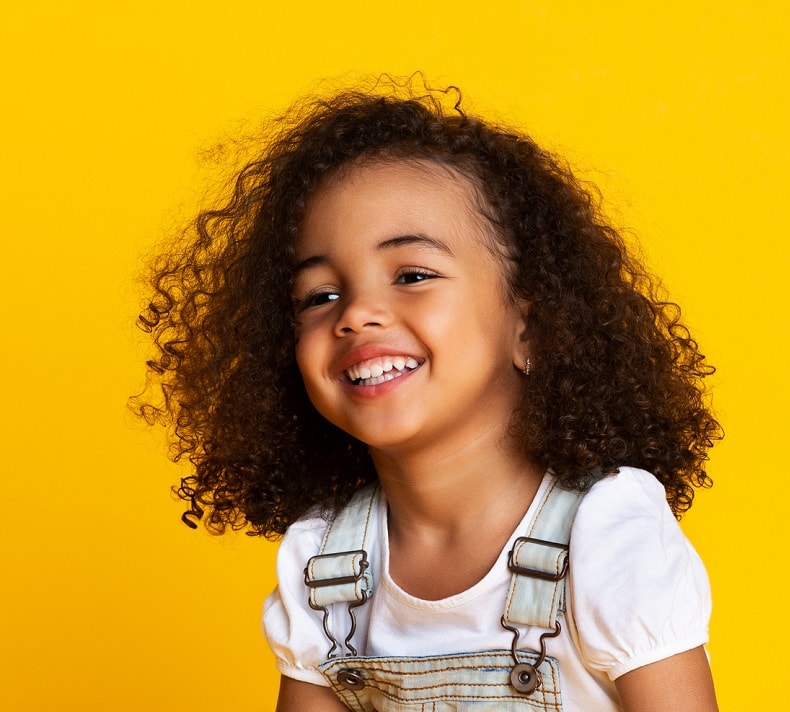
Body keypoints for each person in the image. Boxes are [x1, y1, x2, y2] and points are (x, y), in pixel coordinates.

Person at [135, 77, 723, 711]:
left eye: (412, 275)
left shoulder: (604, 531)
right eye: (320, 297)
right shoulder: (323, 564)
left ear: (529, 325)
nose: (356, 314)